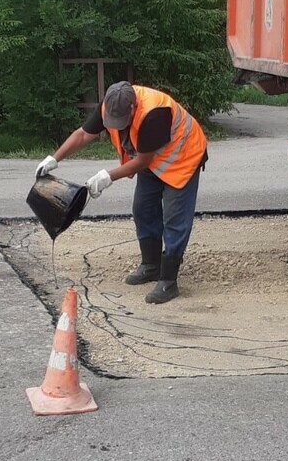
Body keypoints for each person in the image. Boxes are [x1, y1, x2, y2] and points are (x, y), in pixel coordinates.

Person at [36, 82, 207, 304]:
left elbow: (142, 161)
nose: (116, 127)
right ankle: (151, 266)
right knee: (142, 209)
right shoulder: (111, 103)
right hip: (152, 159)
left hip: (182, 158)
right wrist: (54, 159)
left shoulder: (154, 114)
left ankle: (168, 281)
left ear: (133, 108)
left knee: (174, 218)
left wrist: (107, 177)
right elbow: (83, 134)